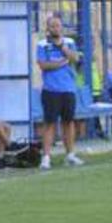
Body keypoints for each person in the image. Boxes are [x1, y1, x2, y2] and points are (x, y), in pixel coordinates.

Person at [36, 14, 84, 170]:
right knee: (49, 123)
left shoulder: (69, 42)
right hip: (51, 89)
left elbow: (75, 58)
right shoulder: (42, 44)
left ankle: (70, 154)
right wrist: (61, 63)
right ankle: (46, 157)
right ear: (48, 28)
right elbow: (43, 65)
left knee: (68, 122)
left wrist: (64, 50)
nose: (56, 28)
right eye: (52, 26)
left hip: (68, 88)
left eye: (58, 25)